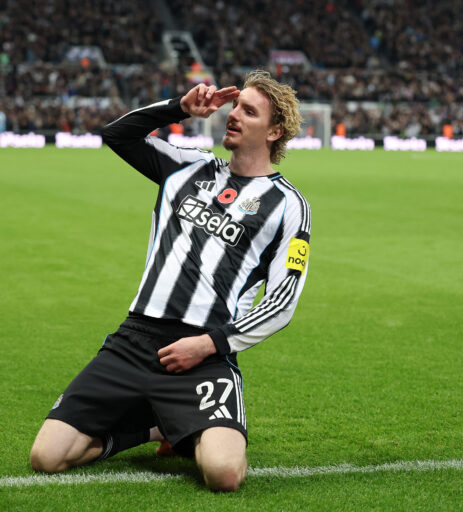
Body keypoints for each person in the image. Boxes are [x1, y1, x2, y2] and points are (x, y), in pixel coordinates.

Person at [29, 70, 311, 492]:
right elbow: (117, 135)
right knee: (46, 457)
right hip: (133, 340)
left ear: (274, 131)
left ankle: (178, 424)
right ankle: (153, 429)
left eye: (248, 112)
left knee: (224, 474)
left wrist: (209, 344)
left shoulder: (288, 206)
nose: (233, 115)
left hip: (203, 352)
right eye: (234, 106)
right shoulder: (187, 167)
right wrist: (177, 108)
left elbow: (283, 300)